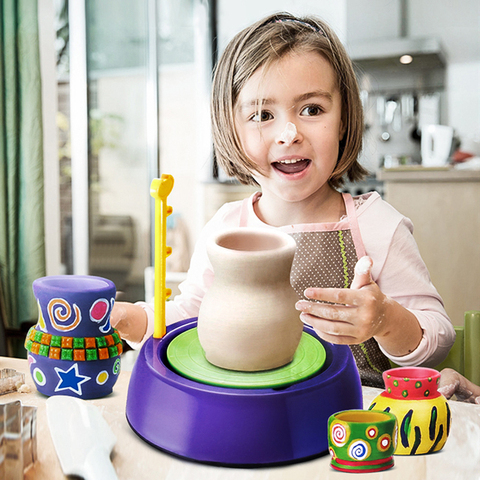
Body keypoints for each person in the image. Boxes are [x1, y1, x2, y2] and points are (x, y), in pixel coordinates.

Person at [112, 12, 455, 387]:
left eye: (312, 109)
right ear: (232, 129)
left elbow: (437, 338)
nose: (288, 134)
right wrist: (134, 319)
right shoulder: (226, 228)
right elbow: (190, 316)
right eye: (262, 114)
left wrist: (385, 319)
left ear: (343, 119)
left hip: (357, 427)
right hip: (257, 419)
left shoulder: (377, 226)